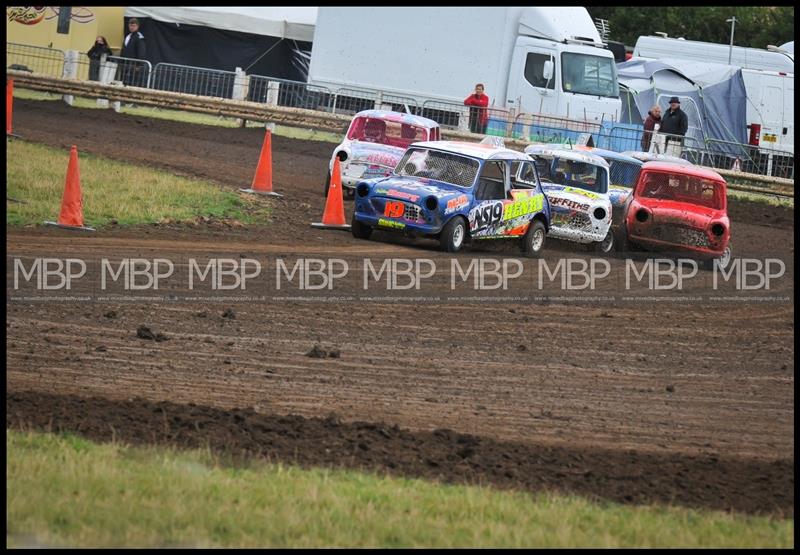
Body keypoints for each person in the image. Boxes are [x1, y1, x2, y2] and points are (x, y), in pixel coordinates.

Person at [118, 18, 147, 87]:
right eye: (130, 25)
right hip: (125, 63)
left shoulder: (139, 37)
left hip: (134, 64)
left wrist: (139, 65)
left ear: (137, 26)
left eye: (134, 26)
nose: (132, 27)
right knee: (124, 81)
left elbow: (141, 51)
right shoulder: (128, 36)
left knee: (132, 82)